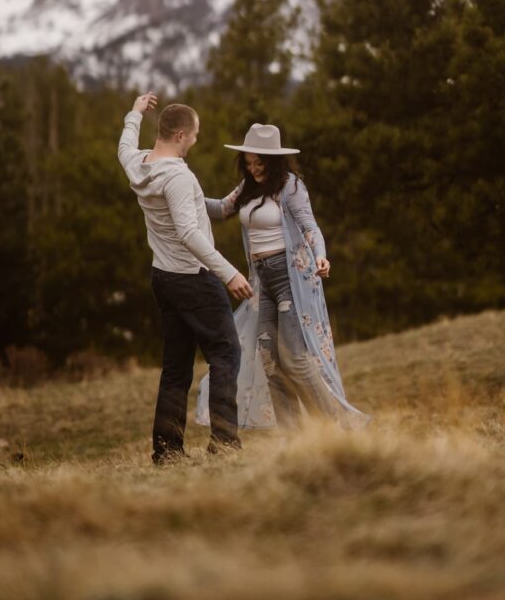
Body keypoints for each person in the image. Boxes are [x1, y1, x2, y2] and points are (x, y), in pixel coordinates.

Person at [198, 123, 368, 431]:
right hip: (263, 282)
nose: (253, 170)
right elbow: (221, 209)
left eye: (258, 164)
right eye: (248, 164)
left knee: (295, 358)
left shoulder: (290, 185)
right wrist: (186, 192)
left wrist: (321, 254)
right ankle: (294, 438)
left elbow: (309, 226)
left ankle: (339, 426)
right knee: (270, 361)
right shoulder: (247, 187)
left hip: (290, 278)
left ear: (273, 161)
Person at [118, 92, 253, 463]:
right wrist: (229, 273)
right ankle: (224, 443)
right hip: (194, 278)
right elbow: (189, 233)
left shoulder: (139, 164)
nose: (196, 140)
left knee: (176, 367)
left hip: (163, 278)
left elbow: (124, 146)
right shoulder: (177, 177)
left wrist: (134, 113)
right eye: (194, 135)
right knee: (226, 352)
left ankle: (167, 451)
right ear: (179, 135)